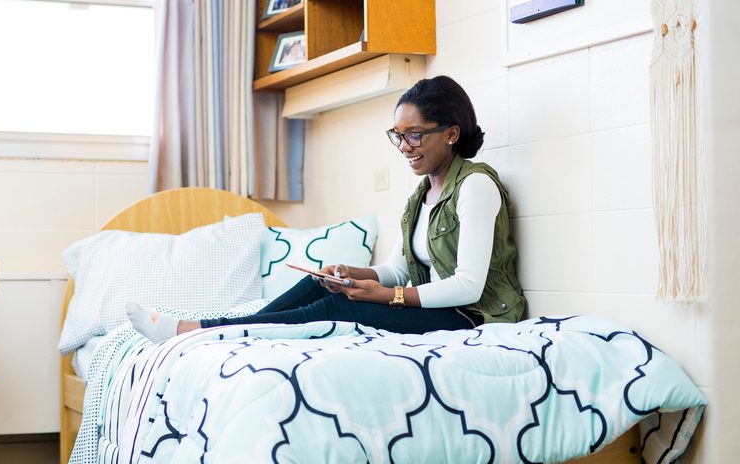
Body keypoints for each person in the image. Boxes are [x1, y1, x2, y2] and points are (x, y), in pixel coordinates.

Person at [128, 75, 526, 343]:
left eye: (416, 135)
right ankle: (208, 331)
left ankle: (201, 331)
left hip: (470, 318)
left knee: (339, 305)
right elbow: (399, 267)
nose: (405, 146)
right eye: (399, 136)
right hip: (434, 308)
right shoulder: (421, 194)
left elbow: (468, 286)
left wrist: (389, 296)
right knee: (324, 283)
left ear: (451, 134)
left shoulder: (476, 186)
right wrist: (356, 273)